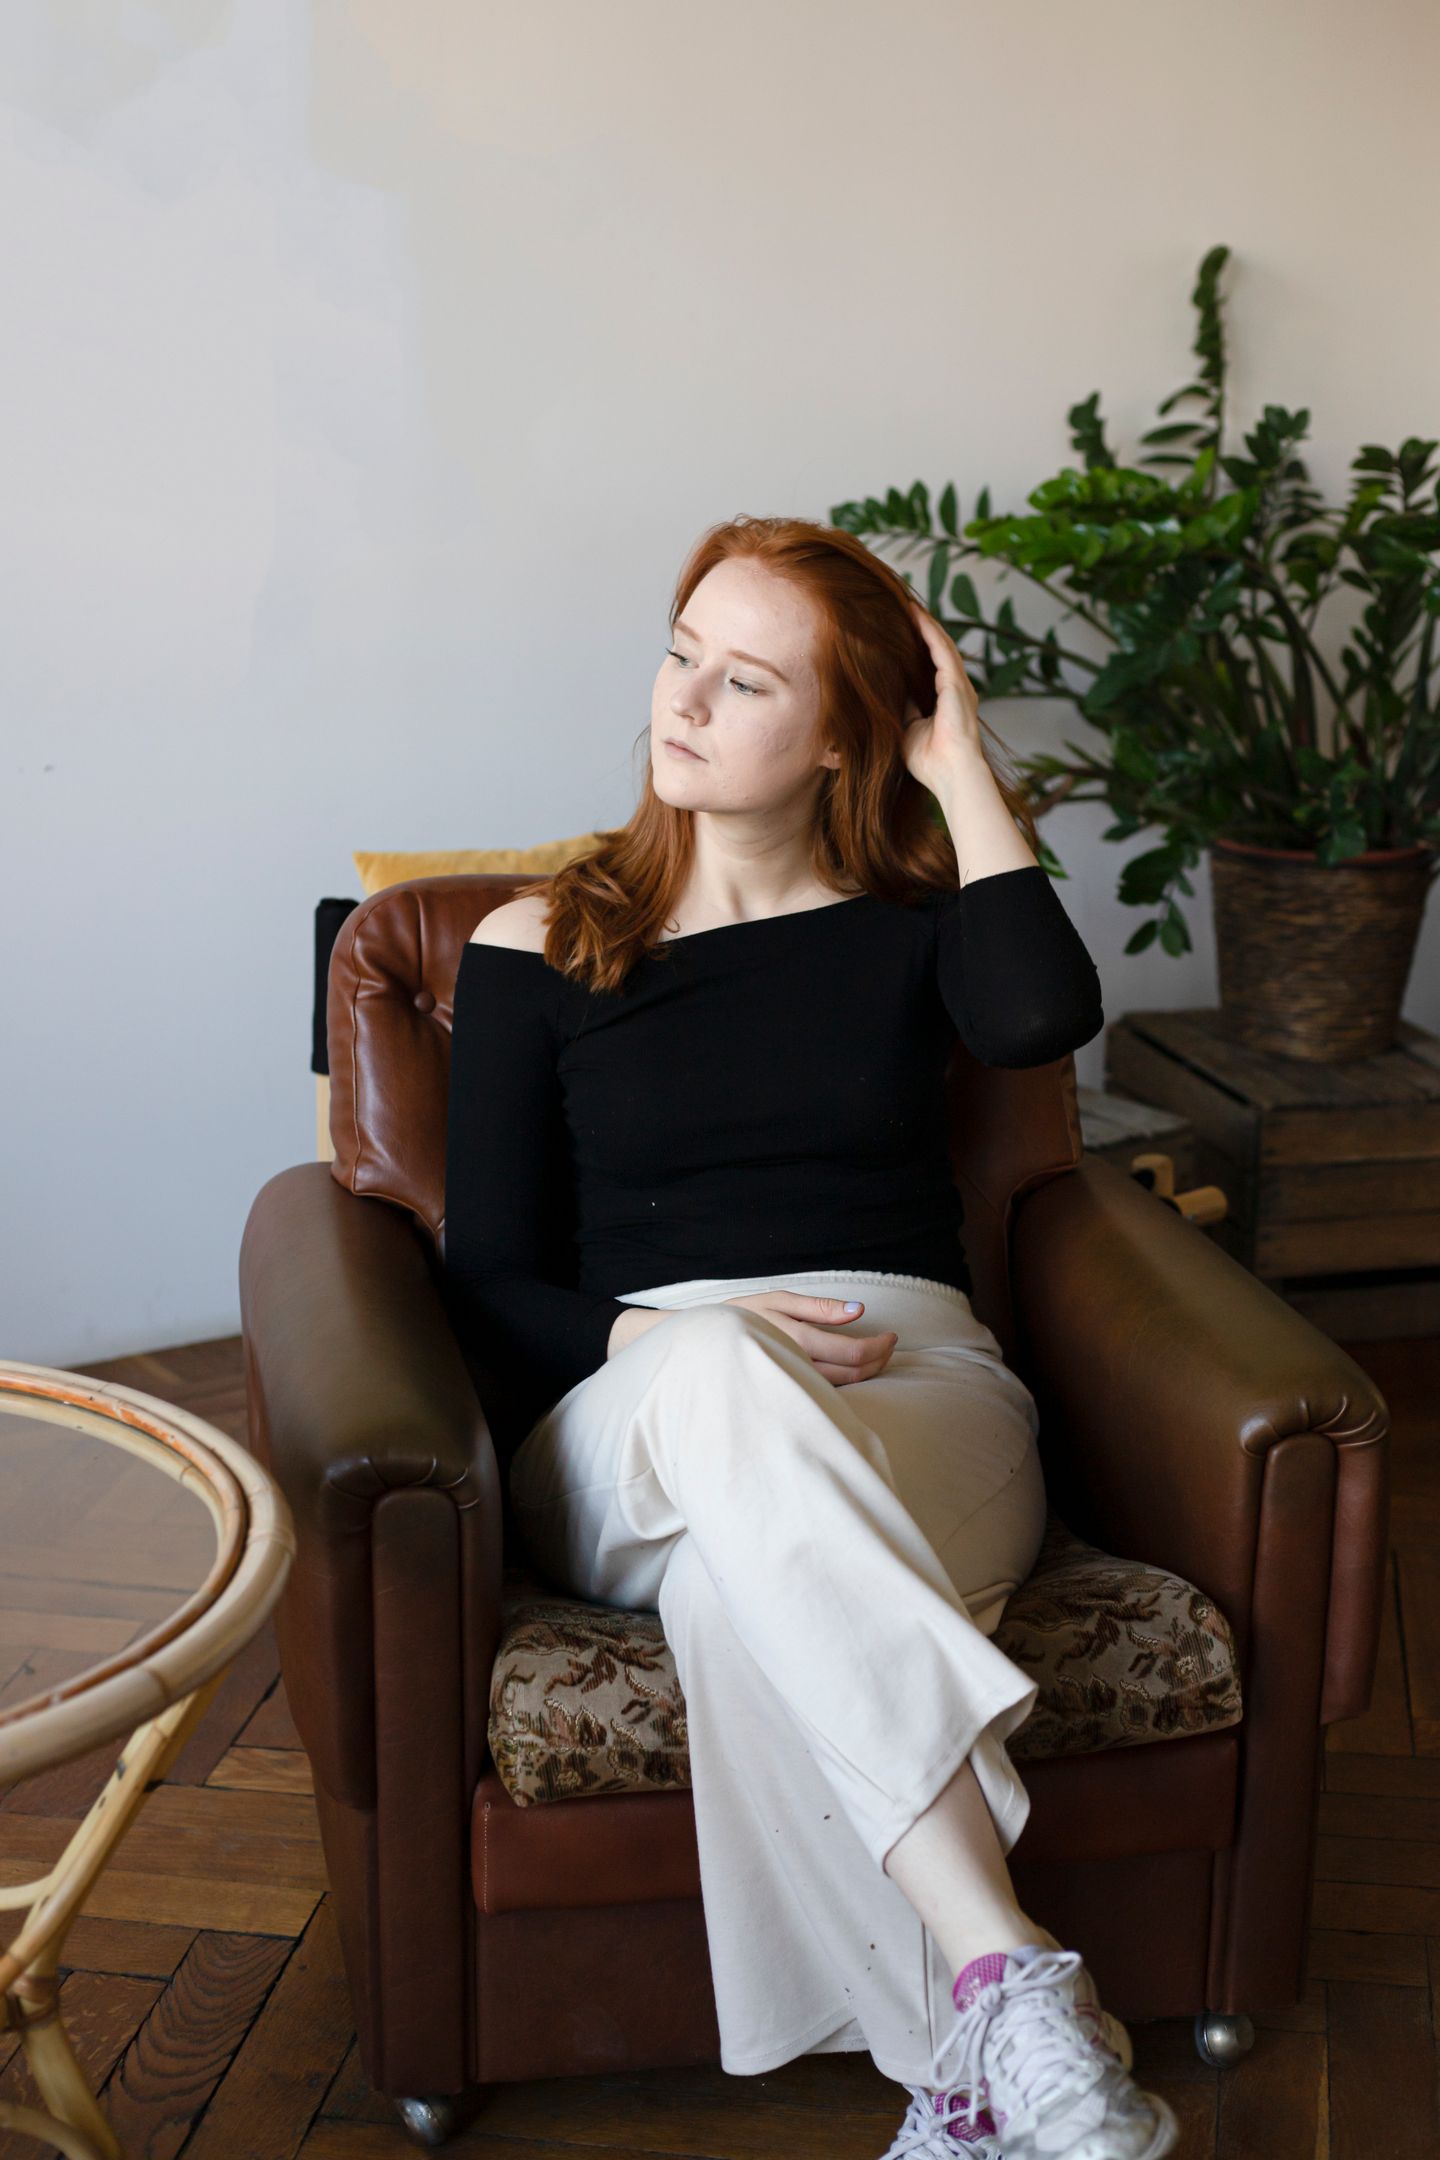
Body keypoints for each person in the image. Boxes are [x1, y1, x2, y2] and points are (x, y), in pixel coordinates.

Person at [442, 514, 1180, 2160]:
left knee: (738, 1595)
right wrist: (679, 1333)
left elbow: (1042, 1017)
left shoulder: (918, 923)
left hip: (917, 1387)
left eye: (748, 680)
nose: (683, 700)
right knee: (719, 1375)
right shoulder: (537, 943)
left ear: (845, 735)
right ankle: (1008, 1966)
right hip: (638, 1405)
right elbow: (484, 1277)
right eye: (680, 652)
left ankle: (976, 2087)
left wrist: (958, 758)